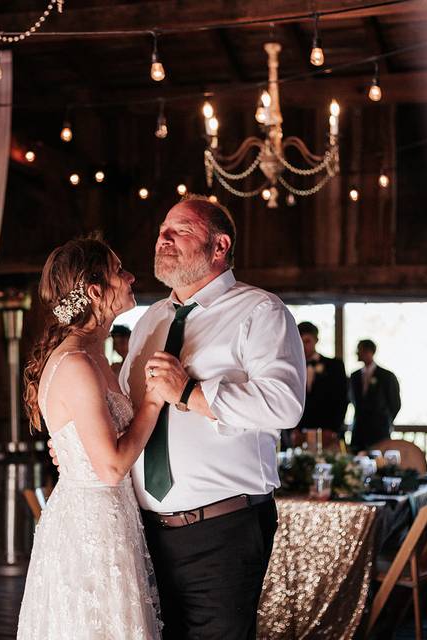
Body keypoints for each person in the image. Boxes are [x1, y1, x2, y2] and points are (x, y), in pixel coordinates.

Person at [121, 195, 305, 639]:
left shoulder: (261, 311)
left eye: (178, 230)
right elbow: (129, 407)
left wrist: (189, 392)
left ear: (218, 246)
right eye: (162, 230)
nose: (162, 238)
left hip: (222, 530)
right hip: (143, 531)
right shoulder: (151, 319)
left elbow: (285, 404)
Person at [17, 235, 166, 639]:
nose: (132, 276)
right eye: (121, 270)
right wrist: (153, 401)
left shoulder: (95, 356)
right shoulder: (77, 363)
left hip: (109, 520)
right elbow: (112, 467)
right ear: (96, 291)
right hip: (92, 530)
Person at [294, 321, 348, 449]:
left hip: (328, 433)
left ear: (316, 340)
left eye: (307, 341)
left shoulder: (335, 366)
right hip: (299, 434)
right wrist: (292, 430)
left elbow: (342, 399)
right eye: (299, 341)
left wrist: (333, 429)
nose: (303, 346)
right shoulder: (291, 367)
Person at [349, 339, 401, 451]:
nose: (357, 353)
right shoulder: (354, 376)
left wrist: (385, 421)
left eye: (360, 350)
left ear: (369, 352)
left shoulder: (386, 376)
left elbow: (395, 403)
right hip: (358, 431)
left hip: (379, 431)